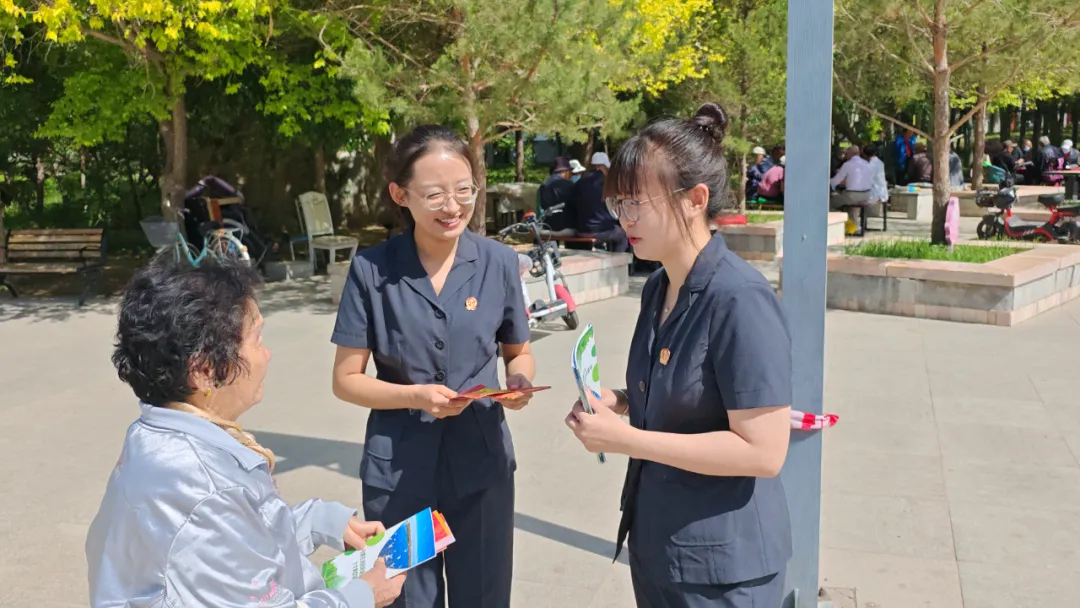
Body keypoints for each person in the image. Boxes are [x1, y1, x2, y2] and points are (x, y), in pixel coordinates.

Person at [565, 102, 792, 608]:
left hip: (723, 569)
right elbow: (685, 395)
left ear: (695, 199)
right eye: (619, 203)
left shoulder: (740, 298)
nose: (624, 219)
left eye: (637, 203)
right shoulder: (659, 285)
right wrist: (621, 401)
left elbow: (763, 452)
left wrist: (629, 439)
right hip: (658, 545)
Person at [86, 254, 405, 608]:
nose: (267, 355)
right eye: (256, 339)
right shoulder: (205, 489)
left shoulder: (158, 436)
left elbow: (242, 542)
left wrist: (320, 520)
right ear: (204, 371)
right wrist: (362, 595)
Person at [331, 125, 536, 608]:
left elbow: (518, 350)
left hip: (481, 462)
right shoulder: (372, 270)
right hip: (399, 471)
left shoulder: (499, 262)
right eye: (435, 194)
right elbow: (346, 380)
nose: (453, 206)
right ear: (400, 195)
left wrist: (519, 380)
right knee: (405, 596)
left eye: (464, 190)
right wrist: (415, 396)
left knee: (483, 595)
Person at [572, 151, 629, 252]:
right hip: (600, 229)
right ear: (603, 166)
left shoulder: (579, 182)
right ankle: (617, 261)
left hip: (581, 229)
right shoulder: (607, 183)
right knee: (622, 235)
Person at [831, 145, 875, 230]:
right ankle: (851, 225)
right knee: (847, 200)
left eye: (846, 153)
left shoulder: (847, 164)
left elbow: (835, 181)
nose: (845, 156)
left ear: (850, 154)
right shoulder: (867, 164)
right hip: (867, 195)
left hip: (852, 196)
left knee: (830, 203)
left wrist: (829, 183)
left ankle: (838, 226)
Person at [537, 156, 577, 232]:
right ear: (566, 172)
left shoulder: (543, 185)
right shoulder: (568, 184)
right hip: (567, 224)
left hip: (548, 224)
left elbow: (542, 206)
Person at [863, 144, 889, 213]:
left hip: (875, 194)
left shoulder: (870, 165)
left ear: (864, 155)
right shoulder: (880, 162)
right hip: (882, 193)